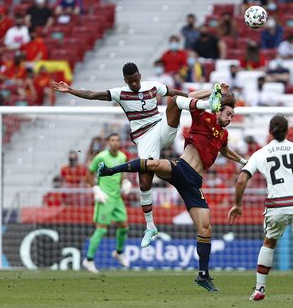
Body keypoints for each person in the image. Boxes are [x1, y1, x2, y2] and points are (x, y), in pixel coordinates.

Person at [52, 62, 222, 248]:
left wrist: (208, 92)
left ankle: (208, 105)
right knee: (144, 181)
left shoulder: (153, 86)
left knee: (174, 101)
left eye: (136, 80)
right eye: (130, 81)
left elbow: (181, 95)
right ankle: (150, 227)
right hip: (144, 137)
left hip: (161, 128)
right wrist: (70, 90)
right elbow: (93, 95)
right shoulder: (120, 93)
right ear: (125, 80)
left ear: (140, 76)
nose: (134, 84)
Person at [98, 87, 246, 291]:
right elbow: (189, 97)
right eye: (228, 113)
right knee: (154, 164)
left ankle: (203, 275)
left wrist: (243, 160)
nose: (229, 118)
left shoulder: (224, 134)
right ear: (219, 110)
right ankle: (110, 171)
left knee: (205, 228)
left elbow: (225, 151)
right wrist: (213, 92)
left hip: (194, 183)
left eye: (232, 116)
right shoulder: (203, 116)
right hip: (181, 168)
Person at [227, 114, 293, 301]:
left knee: (269, 243)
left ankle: (259, 289)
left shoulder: (260, 153)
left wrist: (237, 204)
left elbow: (242, 178)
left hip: (276, 206)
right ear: (288, 130)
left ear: (269, 132)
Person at [82, 133, 133, 273]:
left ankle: (118, 252)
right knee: (101, 229)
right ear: (108, 142)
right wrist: (95, 188)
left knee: (124, 226)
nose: (115, 142)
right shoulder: (101, 157)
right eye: (112, 140)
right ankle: (89, 260)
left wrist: (125, 181)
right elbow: (89, 174)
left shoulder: (123, 156)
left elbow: (123, 173)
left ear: (120, 142)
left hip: (117, 198)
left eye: (117, 140)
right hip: (104, 198)